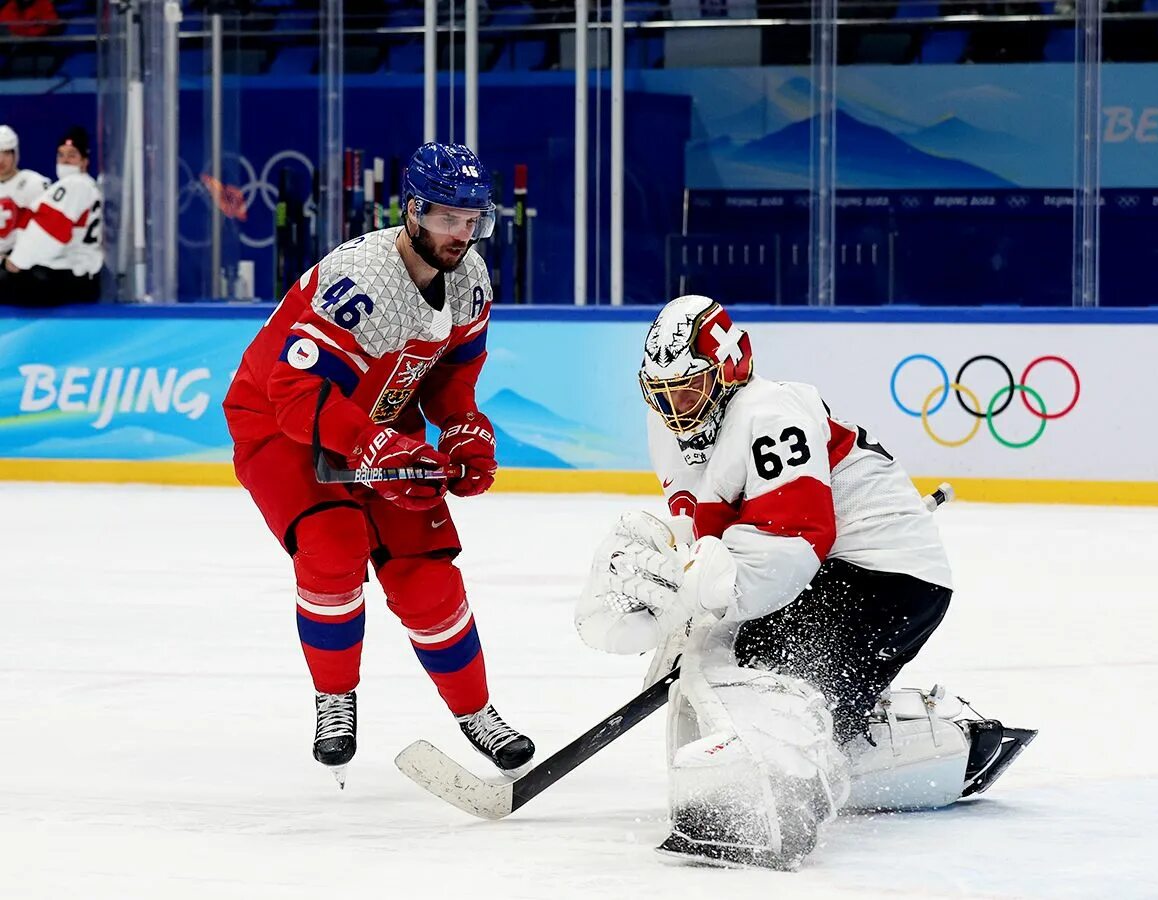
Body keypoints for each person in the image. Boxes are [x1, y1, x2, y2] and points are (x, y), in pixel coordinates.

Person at [575, 295, 1035, 870]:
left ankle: (799, 786)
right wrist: (685, 604)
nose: (676, 408)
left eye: (688, 390)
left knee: (780, 674)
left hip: (890, 577)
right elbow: (707, 532)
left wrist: (697, 592)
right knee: (736, 656)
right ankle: (853, 740)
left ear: (729, 368)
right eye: (662, 393)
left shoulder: (772, 414)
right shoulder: (672, 424)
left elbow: (789, 552)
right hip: (835, 571)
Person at [223, 142, 534, 786]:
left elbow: (450, 380)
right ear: (413, 212)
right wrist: (371, 446)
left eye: (474, 220)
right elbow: (294, 392)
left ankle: (477, 711)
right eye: (449, 218)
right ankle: (335, 697)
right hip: (283, 428)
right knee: (333, 544)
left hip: (380, 424)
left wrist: (464, 432)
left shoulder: (471, 278)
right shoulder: (363, 278)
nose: (463, 234)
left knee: (426, 576)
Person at [0, 125, 101, 305]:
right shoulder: (86, 185)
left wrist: (16, 261)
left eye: (72, 155)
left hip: (70, 274)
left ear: (85, 161)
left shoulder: (74, 184)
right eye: (61, 155)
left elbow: (50, 230)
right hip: (77, 272)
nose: (65, 160)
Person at [0, 124, 50, 264]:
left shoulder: (35, 184)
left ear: (16, 154)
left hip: (23, 262)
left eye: (7, 153)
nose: (1, 160)